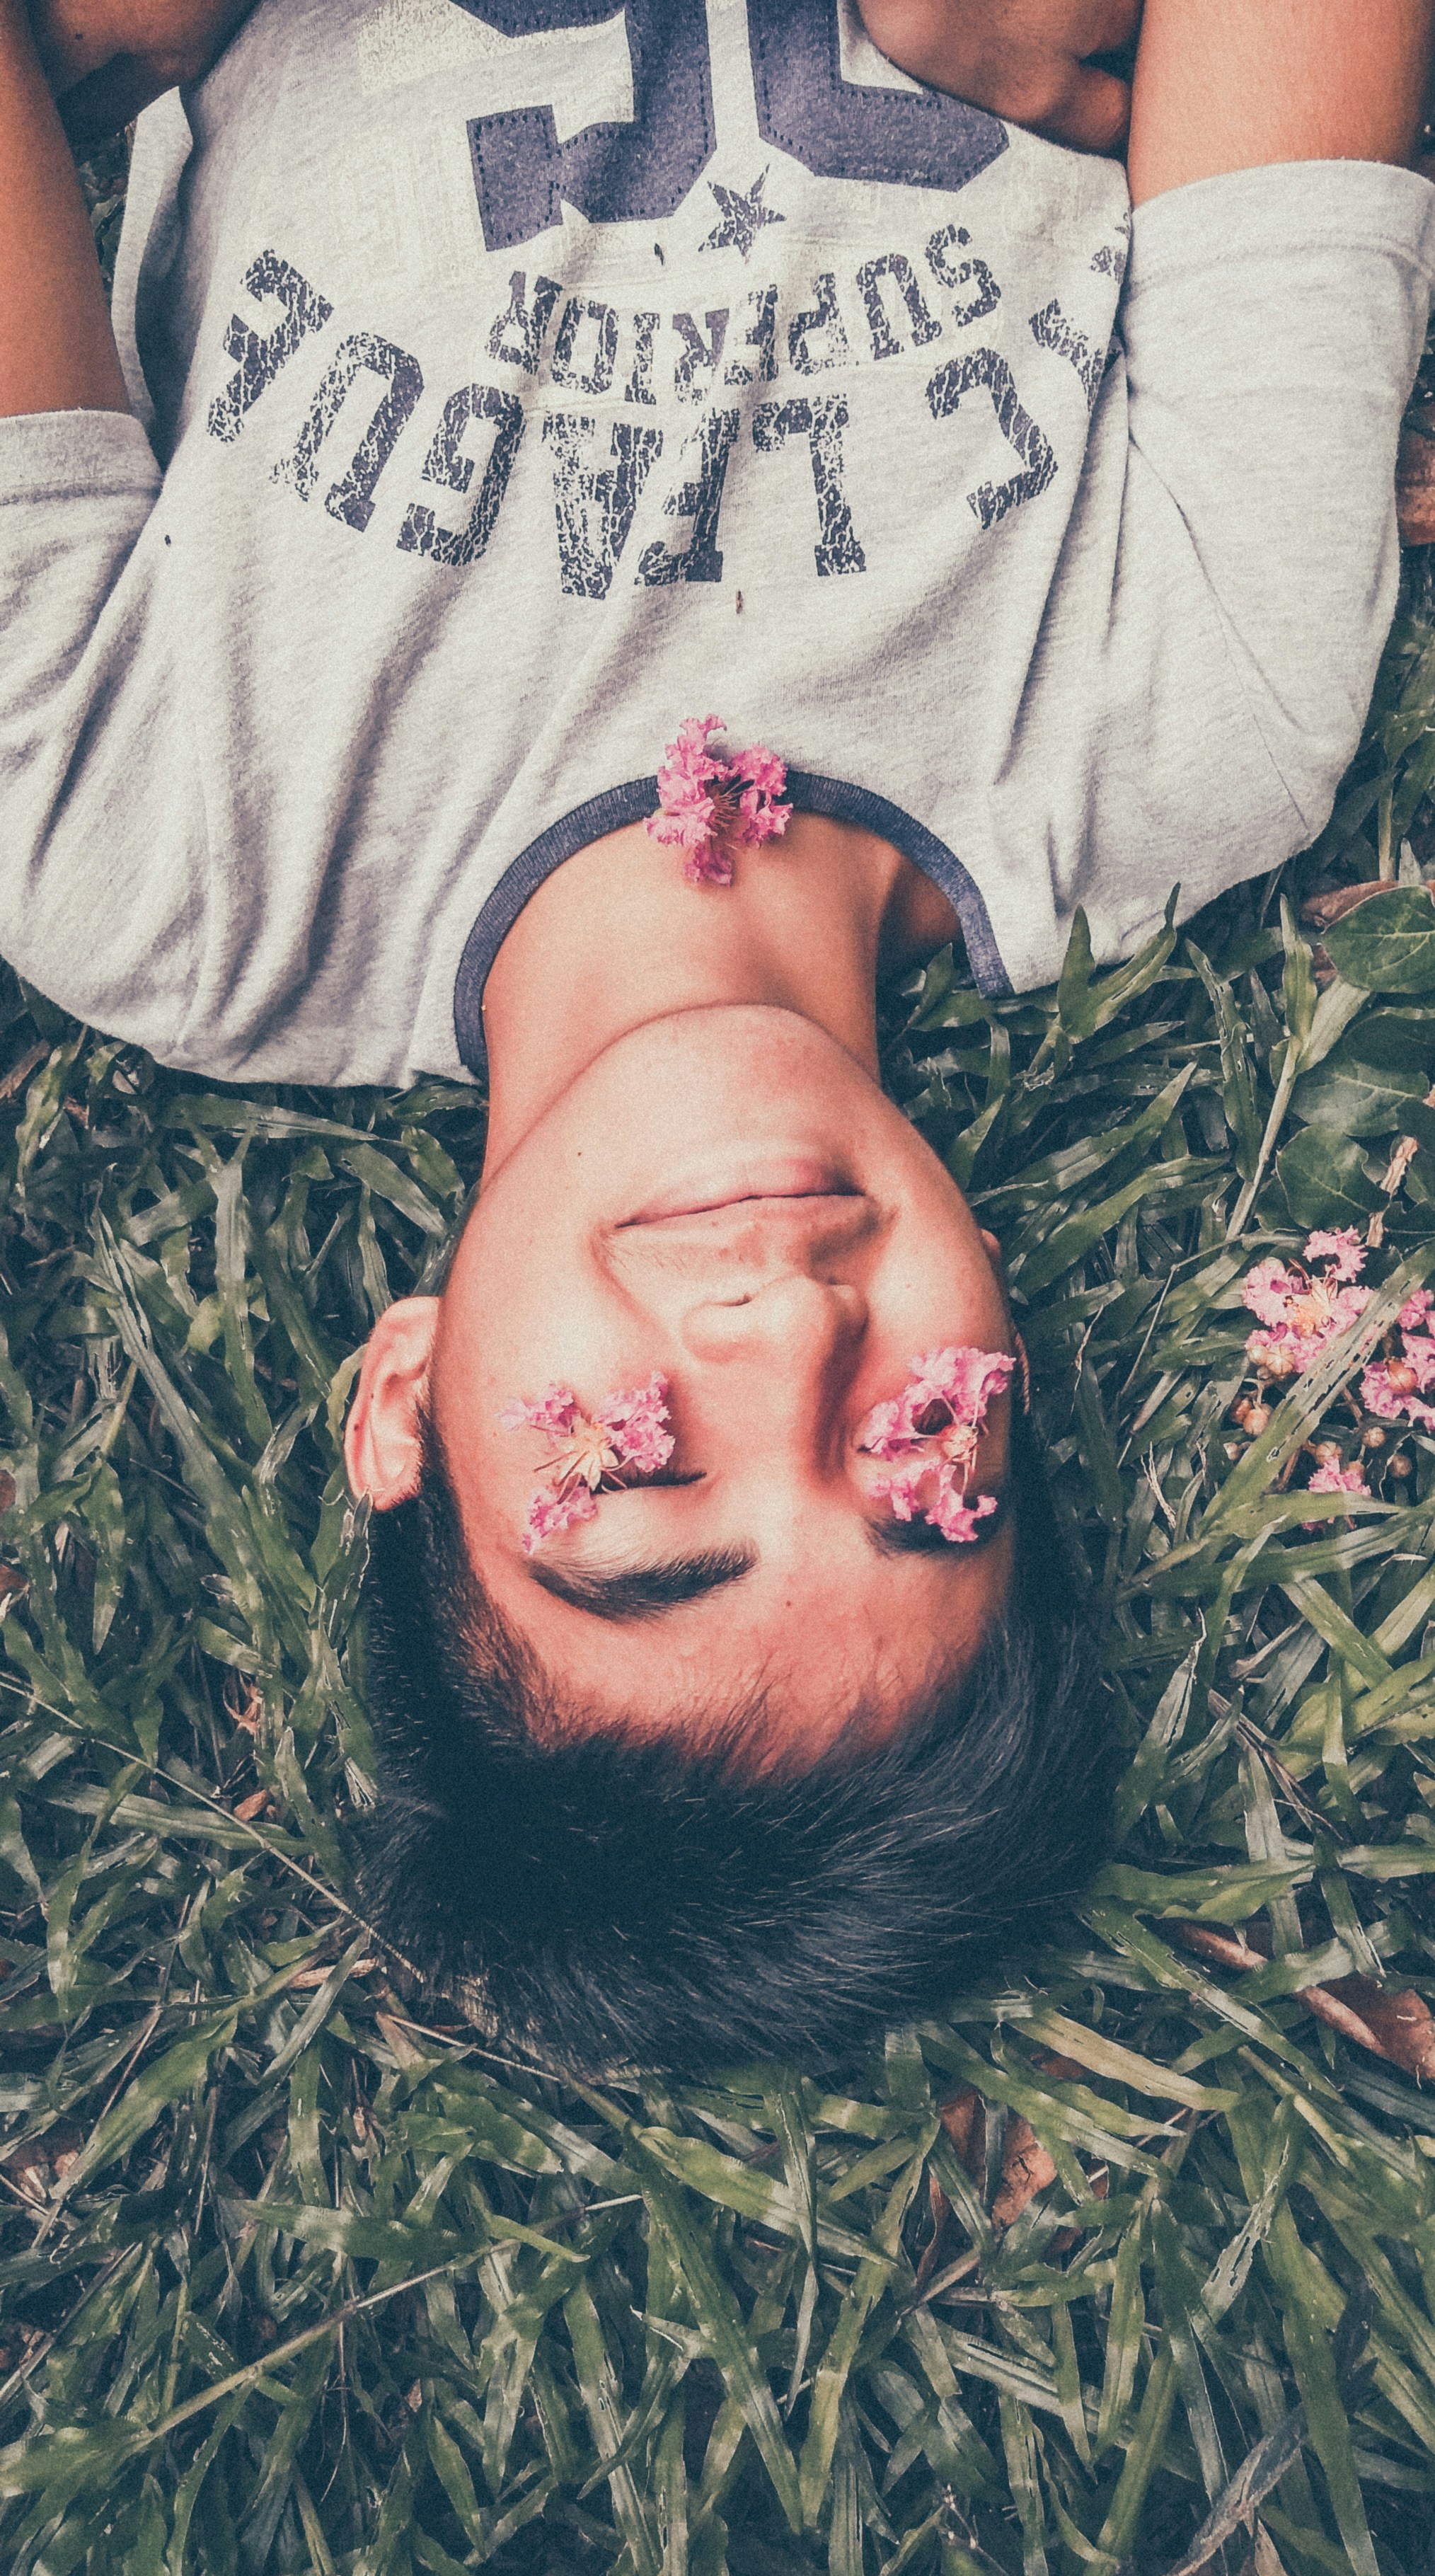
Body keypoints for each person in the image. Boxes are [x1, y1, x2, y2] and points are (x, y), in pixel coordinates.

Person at [1, 0, 1432, 2074]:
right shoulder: (1185, 722)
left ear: (399, 1404)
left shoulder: (145, 858)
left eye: (637, 1493)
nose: (777, 1337)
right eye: (921, 1465)